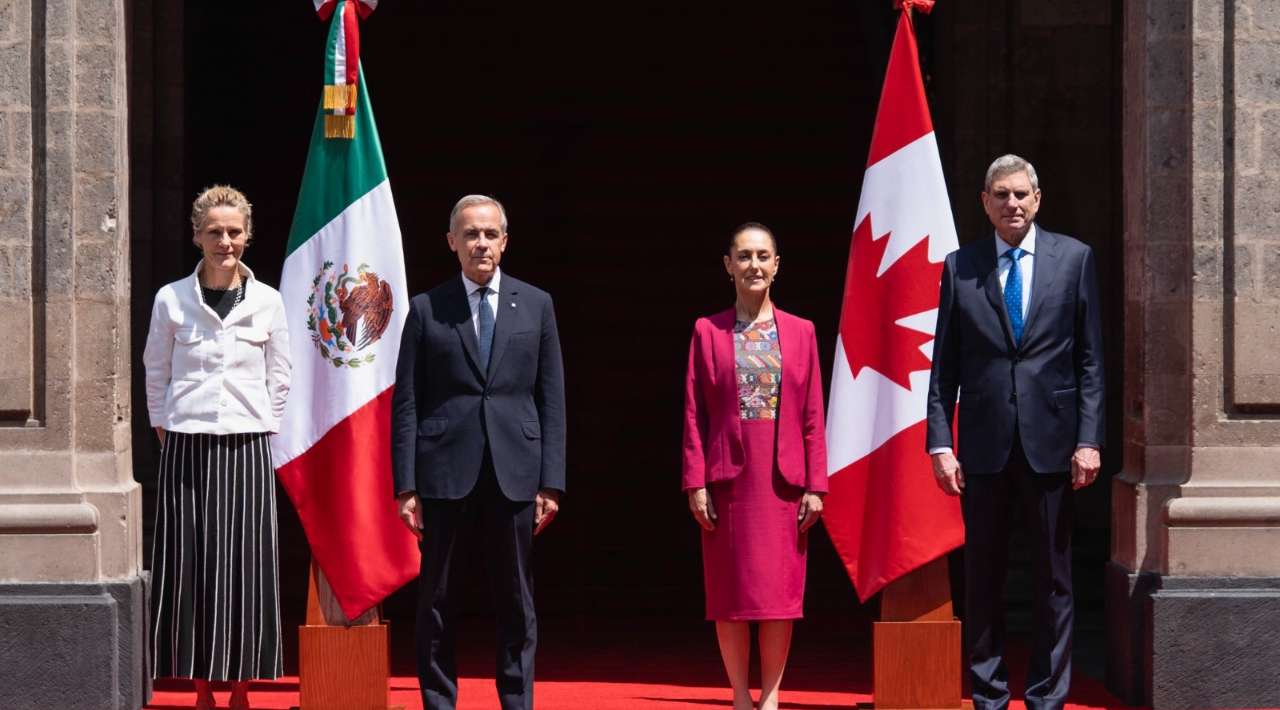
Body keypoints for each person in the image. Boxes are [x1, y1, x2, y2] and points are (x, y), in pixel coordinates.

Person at [925, 154, 1105, 710]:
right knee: (984, 578)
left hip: (1053, 446)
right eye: (1001, 195)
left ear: (1037, 198)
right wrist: (939, 443)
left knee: (1054, 580)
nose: (1013, 204)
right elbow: (944, 367)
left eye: (1021, 194)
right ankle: (989, 693)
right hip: (984, 447)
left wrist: (1089, 438)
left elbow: (1091, 361)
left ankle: (1047, 696)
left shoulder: (1074, 260)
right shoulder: (961, 266)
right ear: (985, 202)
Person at [391, 194, 566, 710]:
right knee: (438, 601)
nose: (481, 243)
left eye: (490, 234)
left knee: (516, 600)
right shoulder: (426, 309)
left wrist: (550, 482)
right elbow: (407, 403)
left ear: (505, 241)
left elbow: (551, 398)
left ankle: (517, 701)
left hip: (515, 471)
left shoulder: (537, 304)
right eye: (470, 234)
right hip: (443, 473)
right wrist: (406, 486)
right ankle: (439, 702)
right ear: (452, 242)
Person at [143, 185, 291, 710]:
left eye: (233, 232)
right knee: (192, 564)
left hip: (247, 446)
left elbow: (281, 375)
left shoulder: (269, 300)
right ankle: (202, 686)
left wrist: (264, 423)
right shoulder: (171, 298)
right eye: (214, 232)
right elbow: (155, 369)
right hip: (186, 444)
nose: (224, 242)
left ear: (247, 237)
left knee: (247, 566)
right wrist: (165, 425)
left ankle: (242, 688)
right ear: (196, 237)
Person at [682, 222, 828, 710]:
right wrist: (695, 483)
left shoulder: (802, 331)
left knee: (778, 595)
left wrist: (816, 484)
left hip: (783, 481)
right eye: (743, 257)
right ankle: (740, 694)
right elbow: (693, 413)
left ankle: (770, 695)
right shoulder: (707, 331)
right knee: (730, 594)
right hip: (729, 481)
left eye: (763, 256)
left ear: (777, 265)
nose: (754, 266)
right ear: (728, 266)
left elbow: (813, 416)